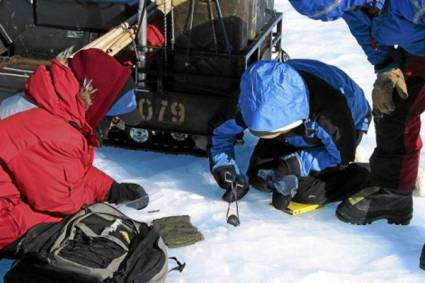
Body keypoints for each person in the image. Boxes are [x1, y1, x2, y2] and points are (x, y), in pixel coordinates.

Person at [288, 0, 425, 226]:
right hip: (417, 52)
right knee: (393, 109)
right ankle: (395, 193)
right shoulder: (357, 5)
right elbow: (366, 30)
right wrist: (386, 67)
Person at [0, 48, 148, 253]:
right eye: (115, 119)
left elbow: (67, 172)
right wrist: (103, 210)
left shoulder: (51, 106)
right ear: (97, 107)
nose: (117, 126)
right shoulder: (54, 132)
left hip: (9, 199)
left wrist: (109, 189)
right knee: (77, 226)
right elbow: (63, 202)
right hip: (4, 220)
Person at [209, 59, 371, 205]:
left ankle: (365, 175)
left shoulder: (329, 113)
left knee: (306, 193)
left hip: (347, 128)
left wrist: (295, 165)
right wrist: (224, 165)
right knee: (260, 177)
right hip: (291, 126)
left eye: (272, 132)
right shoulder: (249, 99)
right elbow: (219, 135)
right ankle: (289, 157)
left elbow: (342, 155)